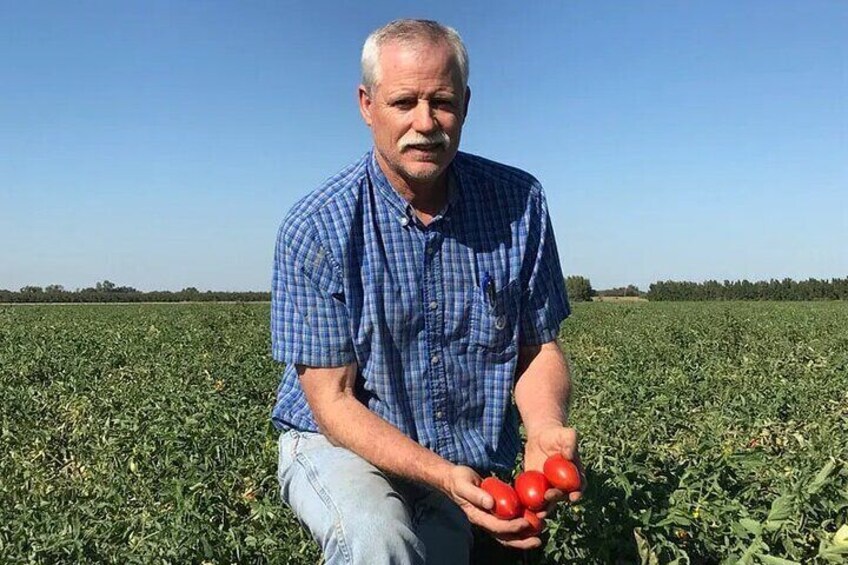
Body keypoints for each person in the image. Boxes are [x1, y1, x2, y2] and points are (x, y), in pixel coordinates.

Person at [271, 18, 583, 565]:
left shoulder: (518, 204)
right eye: (404, 102)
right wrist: (440, 476)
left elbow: (538, 350)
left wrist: (544, 427)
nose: (426, 123)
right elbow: (334, 403)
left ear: (466, 103)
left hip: (458, 459)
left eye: (441, 102)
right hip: (341, 444)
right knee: (377, 536)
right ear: (367, 105)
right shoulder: (316, 229)